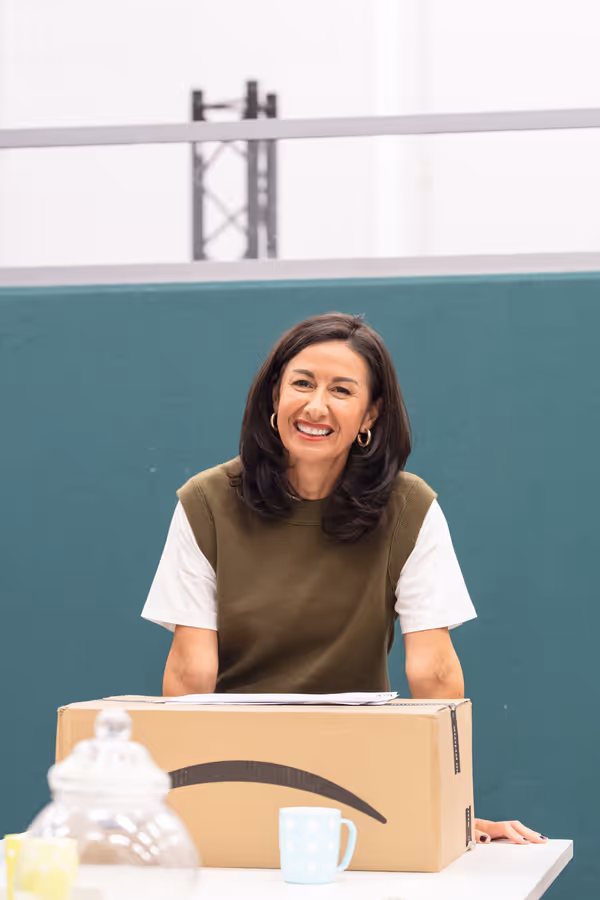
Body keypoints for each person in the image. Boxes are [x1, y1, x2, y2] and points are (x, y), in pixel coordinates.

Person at [142, 312, 548, 846]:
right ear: (273, 397)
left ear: (369, 415)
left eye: (341, 390)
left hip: (363, 777)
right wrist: (182, 807)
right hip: (232, 765)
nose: (316, 406)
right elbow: (190, 672)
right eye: (302, 384)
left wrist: (454, 809)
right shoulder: (205, 502)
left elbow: (435, 670)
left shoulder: (410, 507)